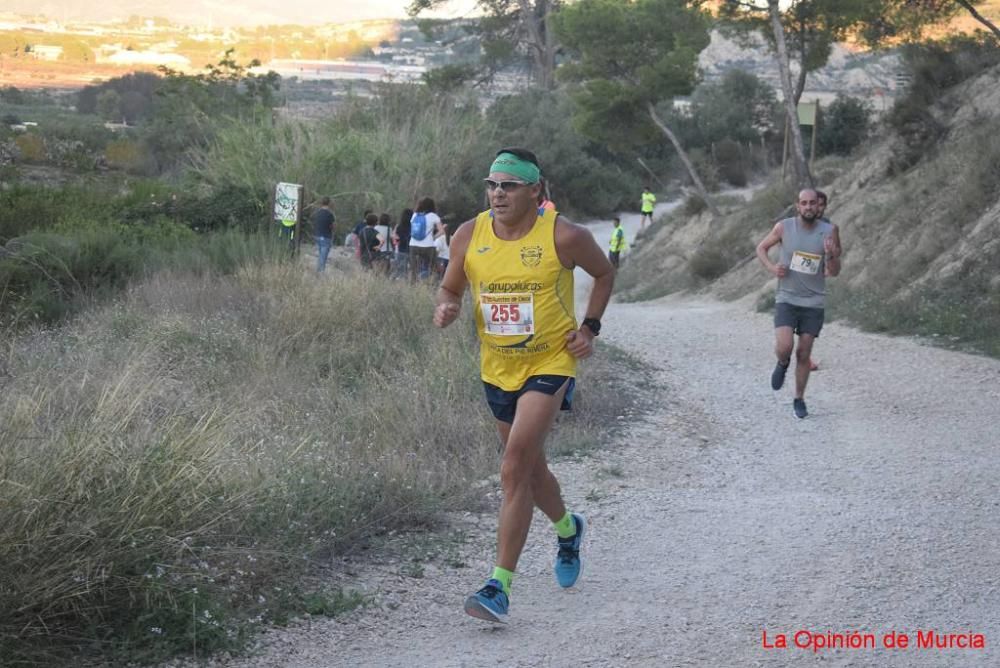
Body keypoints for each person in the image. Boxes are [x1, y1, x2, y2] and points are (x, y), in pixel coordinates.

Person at [434, 147, 615, 624]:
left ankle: (499, 586)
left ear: (535, 189)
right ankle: (567, 527)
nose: (498, 193)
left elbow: (604, 272)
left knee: (513, 466)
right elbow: (451, 286)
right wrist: (447, 306)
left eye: (509, 185)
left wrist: (590, 328)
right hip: (496, 368)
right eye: (492, 184)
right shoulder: (469, 235)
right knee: (532, 471)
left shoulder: (564, 235)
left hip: (550, 362)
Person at [755, 188, 841, 419]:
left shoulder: (830, 231)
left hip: (813, 302)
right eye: (804, 203)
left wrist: (831, 256)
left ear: (819, 205)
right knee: (785, 347)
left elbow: (834, 271)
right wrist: (773, 268)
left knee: (804, 353)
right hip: (787, 299)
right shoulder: (784, 227)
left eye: (813, 203)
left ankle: (799, 399)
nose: (809, 207)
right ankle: (782, 363)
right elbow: (761, 248)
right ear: (798, 206)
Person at [408, 197, 442, 283]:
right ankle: (432, 284)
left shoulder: (415, 215)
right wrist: (433, 237)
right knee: (433, 267)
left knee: (414, 269)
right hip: (428, 246)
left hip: (413, 244)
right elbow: (441, 231)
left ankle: (413, 285)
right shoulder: (434, 216)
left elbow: (412, 228)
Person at [312, 196, 335, 273]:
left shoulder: (317, 213)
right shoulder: (329, 214)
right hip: (326, 237)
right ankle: (320, 272)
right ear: (329, 203)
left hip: (317, 235)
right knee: (323, 256)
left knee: (320, 254)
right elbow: (332, 226)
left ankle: (318, 270)